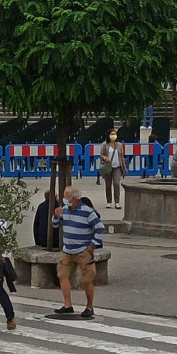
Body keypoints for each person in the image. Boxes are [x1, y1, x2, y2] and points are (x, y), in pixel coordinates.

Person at [52, 186, 105, 319]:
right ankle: (67, 304)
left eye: (66, 197)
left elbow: (99, 228)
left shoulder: (87, 212)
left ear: (74, 198)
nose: (64, 199)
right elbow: (55, 225)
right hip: (67, 250)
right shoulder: (64, 210)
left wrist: (93, 245)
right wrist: (56, 216)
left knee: (87, 279)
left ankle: (89, 306)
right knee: (62, 275)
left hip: (83, 251)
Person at [100, 129, 127, 209]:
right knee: (108, 185)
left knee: (116, 183)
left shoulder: (119, 145)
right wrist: (105, 158)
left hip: (117, 167)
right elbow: (102, 154)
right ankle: (109, 201)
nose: (113, 136)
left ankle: (117, 202)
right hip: (108, 166)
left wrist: (124, 166)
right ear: (108, 135)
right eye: (112, 134)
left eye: (115, 134)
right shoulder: (105, 144)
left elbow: (122, 156)